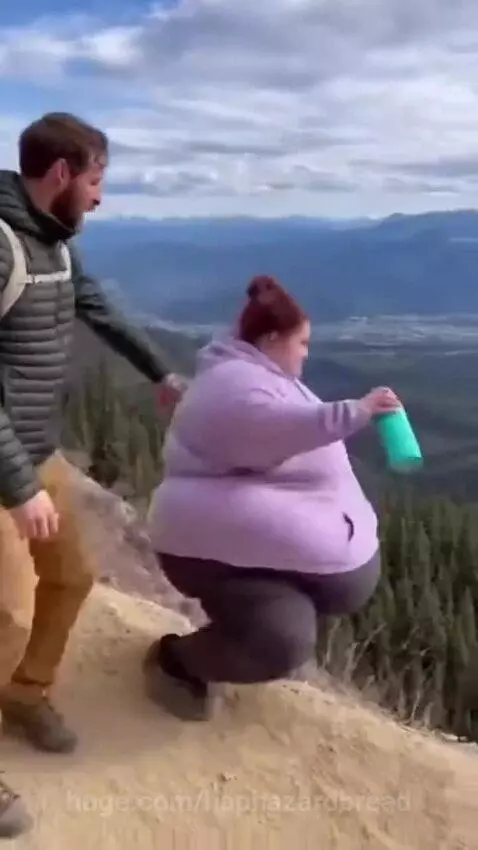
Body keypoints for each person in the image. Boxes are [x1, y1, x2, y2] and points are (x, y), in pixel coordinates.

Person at [0, 112, 185, 837]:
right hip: (5, 466)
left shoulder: (57, 246)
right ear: (60, 175)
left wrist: (161, 372)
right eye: (97, 180)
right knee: (6, 613)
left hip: (35, 452)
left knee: (72, 575)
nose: (101, 197)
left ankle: (24, 693)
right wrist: (16, 487)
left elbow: (98, 309)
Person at [144, 275, 402, 722]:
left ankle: (254, 627)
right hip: (206, 550)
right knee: (279, 640)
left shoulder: (252, 375)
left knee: (282, 626)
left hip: (245, 553)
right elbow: (273, 427)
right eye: (301, 343)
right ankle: (178, 662)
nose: (306, 353)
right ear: (269, 338)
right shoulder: (235, 386)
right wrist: (358, 411)